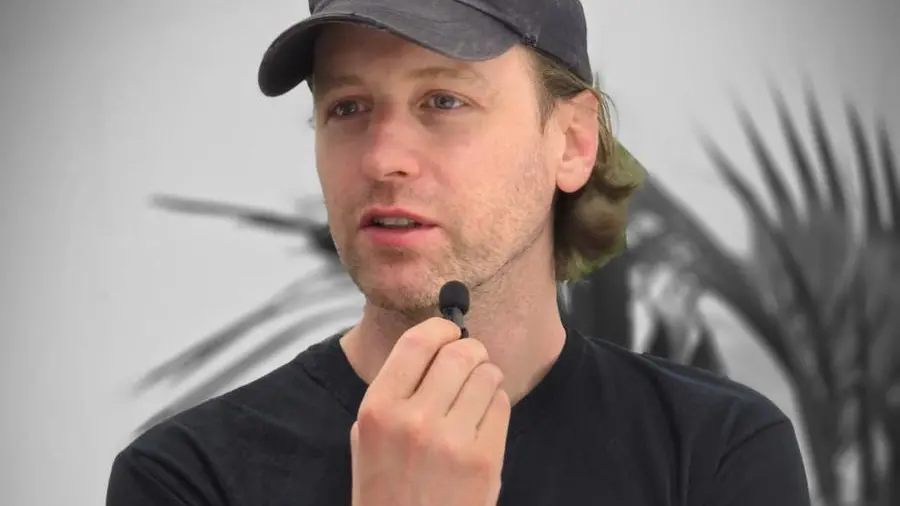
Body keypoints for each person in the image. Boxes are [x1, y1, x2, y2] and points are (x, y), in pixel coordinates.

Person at [106, 0, 812, 504]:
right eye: (347, 107)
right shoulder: (187, 479)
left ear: (572, 142)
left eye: (443, 101)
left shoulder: (715, 451)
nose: (383, 158)